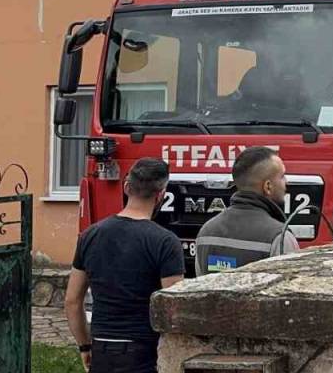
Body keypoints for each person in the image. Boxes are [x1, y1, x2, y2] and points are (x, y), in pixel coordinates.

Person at [65, 158, 185, 373]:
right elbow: (173, 307)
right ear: (161, 195)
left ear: (126, 187)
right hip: (144, 351)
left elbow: (72, 301)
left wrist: (85, 346)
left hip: (101, 348)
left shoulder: (90, 235)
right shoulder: (165, 242)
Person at [193, 146, 299, 273]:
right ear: (268, 187)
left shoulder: (206, 232)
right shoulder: (280, 238)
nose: (286, 182)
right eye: (282, 176)